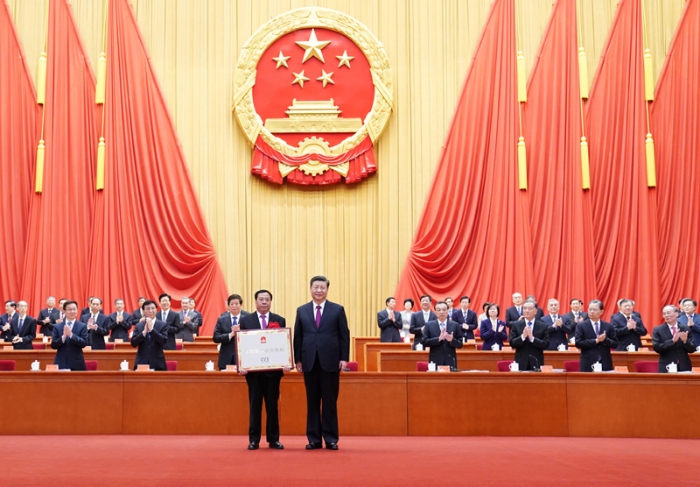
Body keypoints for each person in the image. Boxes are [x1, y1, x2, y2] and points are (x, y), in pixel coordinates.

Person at [293, 276, 350, 451]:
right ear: (310, 289)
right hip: (309, 362)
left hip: (330, 362)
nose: (319, 290)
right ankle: (314, 439)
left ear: (327, 289)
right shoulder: (302, 310)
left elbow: (344, 335)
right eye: (316, 287)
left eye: (322, 287)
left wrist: (344, 358)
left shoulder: (337, 309)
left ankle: (331, 439)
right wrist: (298, 359)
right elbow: (298, 336)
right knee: (312, 402)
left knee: (329, 402)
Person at [239, 289, 290, 450]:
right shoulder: (246, 320)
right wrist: (242, 365)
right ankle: (254, 440)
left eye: (267, 299)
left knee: (272, 406)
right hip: (253, 373)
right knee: (255, 406)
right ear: (255, 301)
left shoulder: (279, 320)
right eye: (261, 299)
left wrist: (286, 361)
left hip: (273, 373)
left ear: (270, 302)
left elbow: (283, 344)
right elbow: (242, 345)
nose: (264, 302)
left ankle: (273, 439)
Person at [575, 300, 617, 372]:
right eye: (590, 309)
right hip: (588, 362)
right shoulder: (581, 326)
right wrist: (595, 341)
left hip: (605, 362)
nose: (592, 312)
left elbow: (615, 344)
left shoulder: (608, 326)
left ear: (601, 312)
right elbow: (578, 343)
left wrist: (605, 340)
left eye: (594, 310)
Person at [652, 305, 695, 373]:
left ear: (676, 314)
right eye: (664, 314)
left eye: (668, 313)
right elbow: (657, 348)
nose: (666, 315)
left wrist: (685, 341)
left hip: (684, 365)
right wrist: (672, 341)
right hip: (666, 365)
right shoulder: (658, 330)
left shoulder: (685, 328)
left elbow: (692, 349)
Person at [508, 301, 549, 370]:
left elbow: (546, 344)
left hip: (536, 361)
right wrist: (522, 337)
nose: (526, 311)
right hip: (521, 361)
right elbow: (512, 343)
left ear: (536, 311)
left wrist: (532, 339)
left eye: (529, 308)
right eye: (524, 308)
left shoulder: (543, 326)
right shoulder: (516, 325)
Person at [213, 294, 249, 370]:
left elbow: (252, 336)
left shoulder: (248, 317)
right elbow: (215, 337)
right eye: (232, 304)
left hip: (243, 357)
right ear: (228, 306)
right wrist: (230, 335)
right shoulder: (222, 319)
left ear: (241, 305)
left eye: (236, 304)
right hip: (226, 357)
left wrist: (240, 332)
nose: (234, 306)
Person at [422, 301, 462, 368]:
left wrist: (452, 340)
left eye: (444, 310)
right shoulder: (429, 325)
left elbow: (460, 344)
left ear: (448, 311)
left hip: (450, 360)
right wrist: (438, 339)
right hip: (435, 360)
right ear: (435, 312)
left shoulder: (455, 325)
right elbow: (424, 342)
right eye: (439, 310)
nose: (441, 312)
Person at [130, 299, 168, 371]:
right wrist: (143, 333)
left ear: (156, 310)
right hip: (142, 362)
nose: (150, 311)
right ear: (143, 311)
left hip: (158, 363)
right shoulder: (139, 325)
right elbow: (133, 343)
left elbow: (163, 341)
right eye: (147, 309)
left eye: (153, 308)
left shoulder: (163, 325)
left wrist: (152, 330)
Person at [51, 300, 88, 370]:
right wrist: (63, 337)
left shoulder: (82, 326)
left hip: (77, 363)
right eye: (69, 309)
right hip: (61, 361)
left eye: (74, 309)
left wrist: (71, 335)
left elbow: (84, 343)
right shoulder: (57, 326)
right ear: (64, 311)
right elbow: (53, 345)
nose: (72, 312)